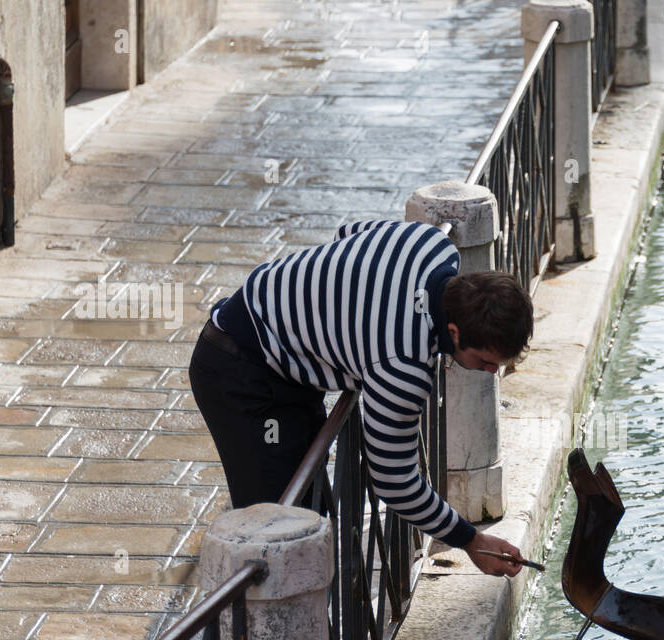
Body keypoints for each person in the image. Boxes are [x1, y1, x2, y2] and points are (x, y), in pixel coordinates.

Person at [188, 218, 532, 577]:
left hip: (272, 348)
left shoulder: (429, 243)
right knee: (276, 542)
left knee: (307, 518)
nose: (492, 372)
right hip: (240, 374)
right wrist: (471, 540)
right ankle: (229, 628)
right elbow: (394, 481)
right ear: (454, 331)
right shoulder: (404, 365)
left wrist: (346, 323)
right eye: (485, 361)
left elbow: (347, 234)